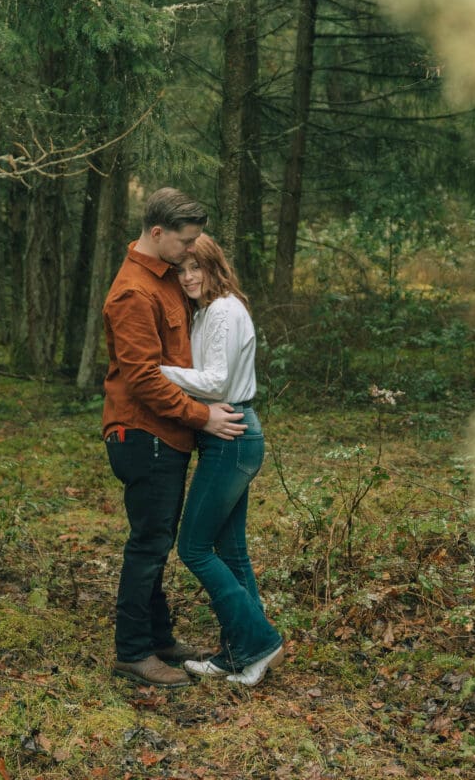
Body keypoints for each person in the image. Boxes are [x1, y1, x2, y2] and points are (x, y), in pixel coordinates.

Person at [102, 188, 247, 687]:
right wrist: (202, 416)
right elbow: (142, 378)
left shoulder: (162, 278)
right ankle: (133, 652)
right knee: (148, 544)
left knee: (157, 541)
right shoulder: (132, 292)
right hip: (144, 435)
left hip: (166, 433)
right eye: (185, 242)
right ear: (157, 233)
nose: (191, 252)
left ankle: (160, 639)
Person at [161, 234, 284, 687]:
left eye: (197, 268)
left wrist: (154, 369)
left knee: (193, 546)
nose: (189, 277)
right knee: (231, 550)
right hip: (226, 434)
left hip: (231, 434)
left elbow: (214, 382)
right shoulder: (208, 312)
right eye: (182, 269)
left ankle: (259, 640)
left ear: (215, 267)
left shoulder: (224, 311)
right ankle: (242, 653)